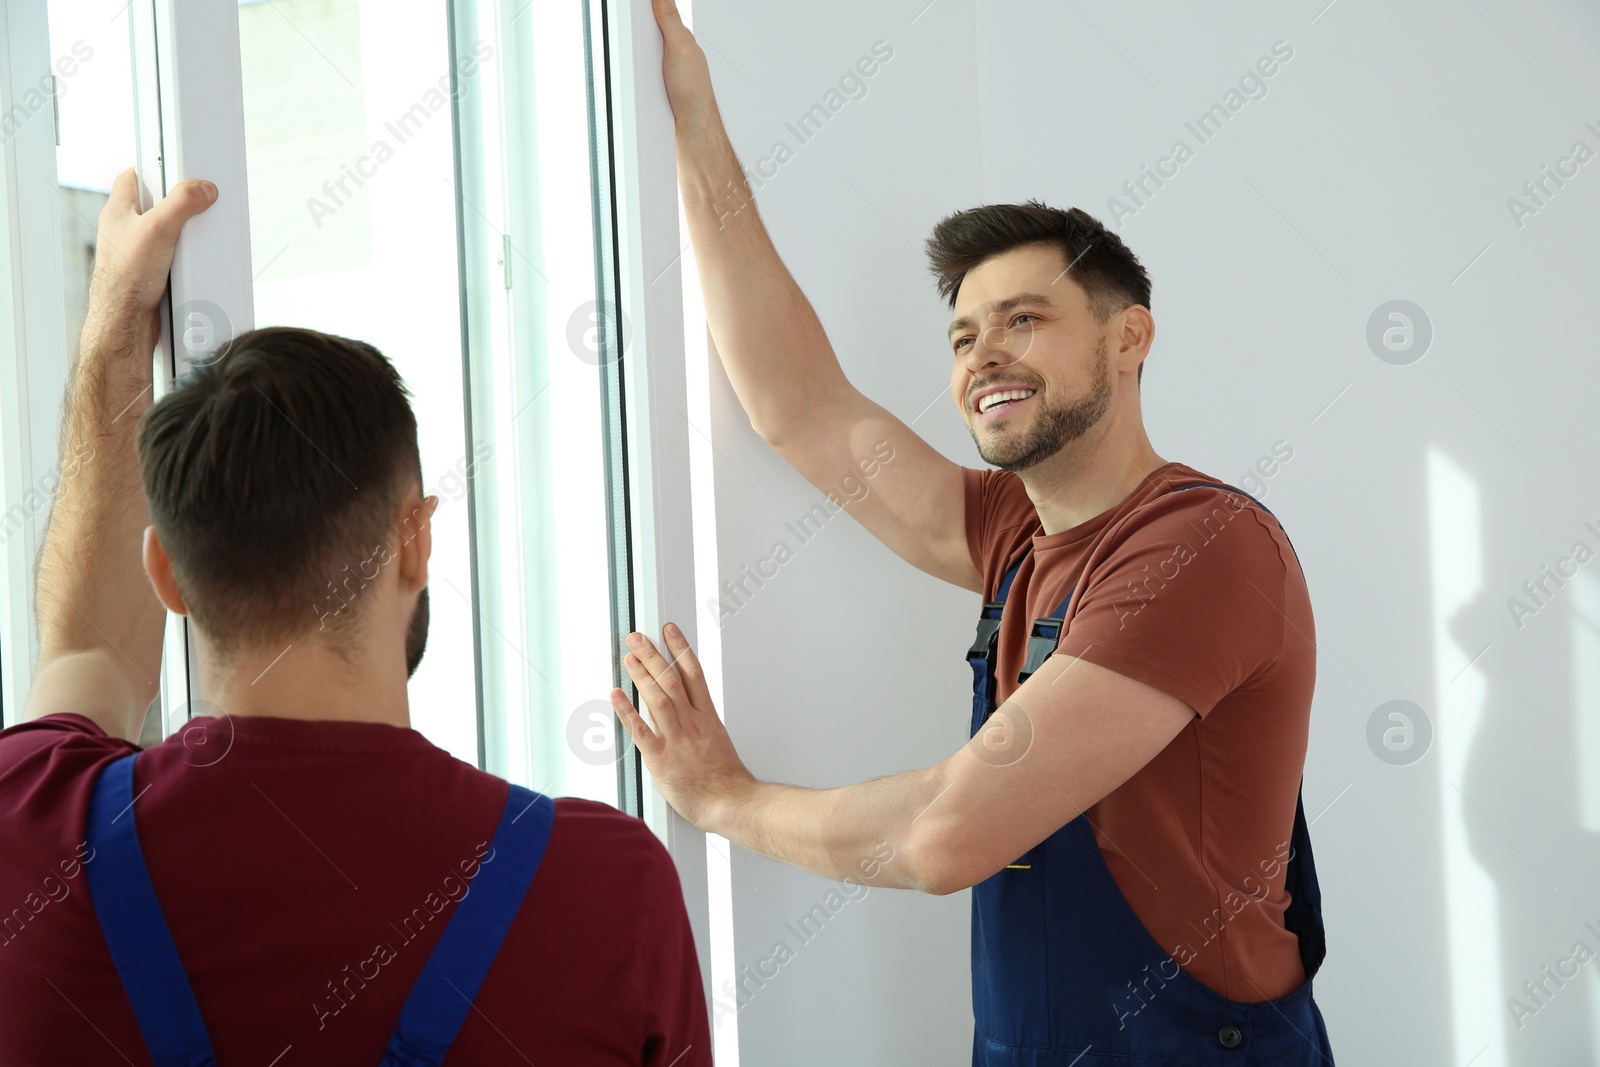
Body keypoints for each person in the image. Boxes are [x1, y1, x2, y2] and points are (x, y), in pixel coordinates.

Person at [606, 4, 1335, 1064]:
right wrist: (690, 119)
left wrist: (727, 799)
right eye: (962, 334)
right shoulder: (1013, 532)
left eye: (1023, 318)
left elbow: (950, 833)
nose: (982, 353)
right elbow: (798, 403)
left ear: (1129, 335)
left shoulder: (1201, 547)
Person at [0, 171, 710, 1066]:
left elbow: (89, 647)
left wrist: (115, 330)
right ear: (415, 541)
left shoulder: (31, 832)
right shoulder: (606, 887)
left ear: (167, 575)